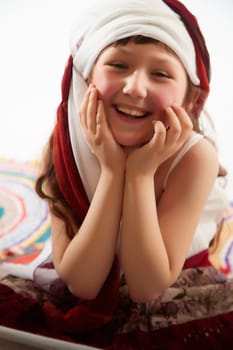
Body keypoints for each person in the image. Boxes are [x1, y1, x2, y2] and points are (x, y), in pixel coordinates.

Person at [34, 0, 230, 344]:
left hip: (176, 289)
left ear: (192, 100)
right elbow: (82, 283)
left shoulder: (195, 158)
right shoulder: (64, 146)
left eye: (161, 74)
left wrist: (139, 175)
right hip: (90, 282)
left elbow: (146, 286)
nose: (135, 88)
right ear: (85, 79)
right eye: (118, 65)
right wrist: (111, 170)